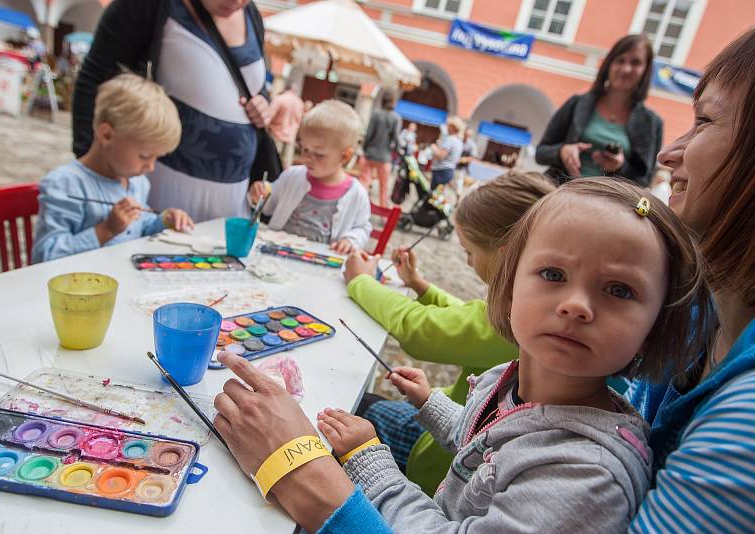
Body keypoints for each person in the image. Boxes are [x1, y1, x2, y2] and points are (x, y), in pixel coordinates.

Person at [211, 176, 706, 533]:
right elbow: (483, 443)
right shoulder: (505, 378)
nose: (576, 305)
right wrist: (430, 404)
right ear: (508, 285)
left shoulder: (583, 476)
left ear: (656, 325)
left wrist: (368, 461)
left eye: (619, 290)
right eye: (554, 275)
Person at [340, 171, 555, 495]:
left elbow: (418, 329)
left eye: (469, 252)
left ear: (504, 251)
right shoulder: (536, 306)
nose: (468, 263)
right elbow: (470, 318)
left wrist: (360, 281)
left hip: (438, 462)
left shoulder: (520, 318)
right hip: (449, 425)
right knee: (363, 402)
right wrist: (420, 285)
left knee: (349, 410)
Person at [627, 29, 755, 532]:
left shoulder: (746, 424)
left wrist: (362, 486)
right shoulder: (693, 312)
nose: (669, 153)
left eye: (703, 121)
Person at [72, 0, 271, 223]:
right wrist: (90, 169)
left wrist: (264, 102)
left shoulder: (251, 14)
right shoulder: (149, 6)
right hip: (161, 187)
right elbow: (93, 78)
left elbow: (248, 82)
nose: (237, 2)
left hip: (234, 200)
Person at [32, 74, 194, 263]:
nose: (151, 167)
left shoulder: (137, 182)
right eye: (144, 156)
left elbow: (139, 227)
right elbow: (45, 257)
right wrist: (106, 230)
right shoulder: (65, 184)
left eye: (156, 158)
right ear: (107, 135)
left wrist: (164, 220)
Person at [535, 34, 662, 187]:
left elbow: (644, 181)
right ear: (609, 63)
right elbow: (541, 153)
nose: (626, 69)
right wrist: (562, 151)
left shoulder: (651, 123)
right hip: (559, 193)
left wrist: (620, 167)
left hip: (609, 205)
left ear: (646, 70)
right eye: (620, 60)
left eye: (635, 63)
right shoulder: (577, 104)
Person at [247, 100, 371, 255]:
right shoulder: (292, 176)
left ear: (345, 156)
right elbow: (268, 207)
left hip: (321, 266)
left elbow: (362, 227)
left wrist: (350, 240)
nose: (308, 158)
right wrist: (259, 195)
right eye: (304, 149)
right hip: (276, 258)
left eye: (319, 154)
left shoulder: (356, 193)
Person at [359, 93, 401, 207]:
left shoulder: (376, 114)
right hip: (385, 157)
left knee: (364, 182)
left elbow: (368, 134)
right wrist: (397, 152)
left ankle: (358, 208)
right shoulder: (395, 118)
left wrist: (364, 148)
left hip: (370, 154)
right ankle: (383, 214)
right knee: (384, 187)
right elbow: (396, 140)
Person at [267, 83, 304, 168]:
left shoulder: (279, 99)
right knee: (286, 167)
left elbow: (268, 118)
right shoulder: (299, 103)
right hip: (290, 138)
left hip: (275, 136)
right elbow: (300, 121)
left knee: (271, 165)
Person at [430, 116, 464, 189]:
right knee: (437, 196)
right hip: (448, 171)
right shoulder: (459, 141)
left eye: (448, 125)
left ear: (453, 127)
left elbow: (440, 156)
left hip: (441, 171)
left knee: (433, 197)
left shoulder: (450, 139)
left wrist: (434, 147)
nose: (447, 127)